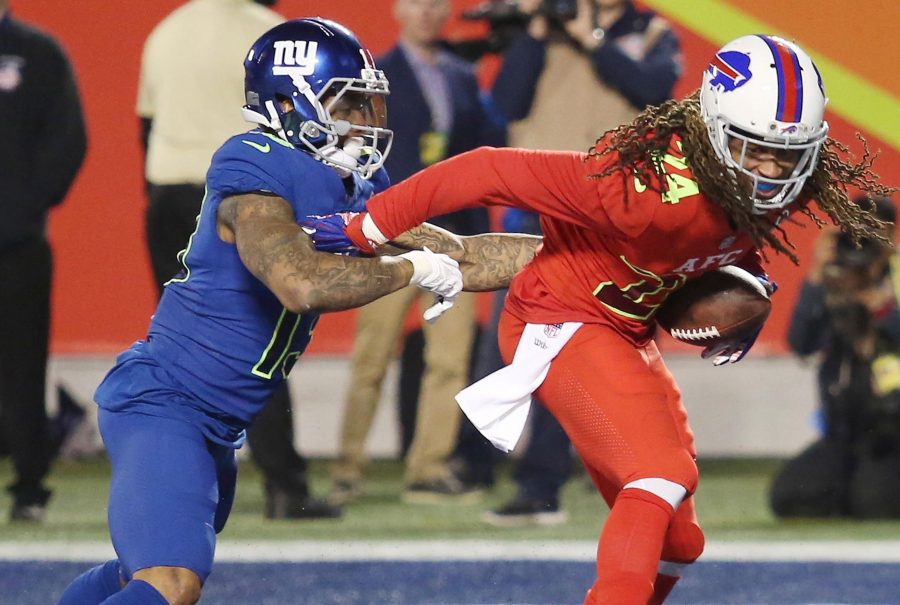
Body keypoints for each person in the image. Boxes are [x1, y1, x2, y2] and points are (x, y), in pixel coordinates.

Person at [304, 34, 895, 605]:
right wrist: (367, 226)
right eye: (753, 148)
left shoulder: (770, 183)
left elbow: (722, 240)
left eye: (784, 154)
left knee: (682, 542)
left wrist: (745, 285)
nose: (768, 171)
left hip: (624, 330)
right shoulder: (642, 190)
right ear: (713, 134)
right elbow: (485, 168)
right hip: (562, 318)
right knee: (658, 475)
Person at [55, 18, 539, 605]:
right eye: (350, 102)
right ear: (288, 101)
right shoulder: (253, 166)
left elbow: (462, 254)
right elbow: (298, 284)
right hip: (166, 404)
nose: (366, 120)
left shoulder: (350, 184)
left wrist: (593, 255)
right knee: (171, 583)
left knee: (141, 576)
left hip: (215, 423)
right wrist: (408, 270)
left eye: (368, 102)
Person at [476, 0, 682, 525]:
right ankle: (529, 479)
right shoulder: (542, 31)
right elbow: (506, 104)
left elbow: (653, 92)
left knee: (613, 350)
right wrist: (537, 31)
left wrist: (590, 37)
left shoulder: (651, 30)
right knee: (528, 346)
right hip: (540, 208)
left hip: (619, 211)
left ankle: (620, 473)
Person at [136, 0, 340, 520]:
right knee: (258, 338)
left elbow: (147, 125)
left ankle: (180, 480)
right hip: (238, 195)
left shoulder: (166, 31)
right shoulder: (266, 32)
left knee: (183, 339)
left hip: (166, 191)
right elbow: (293, 123)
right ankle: (283, 483)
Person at [329, 0, 495, 504]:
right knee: (372, 358)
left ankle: (428, 468)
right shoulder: (375, 77)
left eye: (436, 5)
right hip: (391, 236)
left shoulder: (462, 77)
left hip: (452, 241)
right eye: (418, 4)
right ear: (400, 11)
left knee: (449, 361)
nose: (427, 12)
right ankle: (347, 468)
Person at [0, 0, 87, 523]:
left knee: (23, 368)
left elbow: (67, 138)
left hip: (19, 244)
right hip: (21, 231)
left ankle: (29, 486)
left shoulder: (37, 53)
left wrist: (26, 204)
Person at [770, 196, 900, 519]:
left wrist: (880, 308)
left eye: (873, 234)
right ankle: (855, 487)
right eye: (855, 231)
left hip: (892, 432)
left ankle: (865, 489)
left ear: (890, 236)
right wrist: (816, 274)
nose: (863, 242)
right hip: (842, 434)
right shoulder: (831, 280)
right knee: (791, 496)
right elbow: (801, 344)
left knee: (875, 505)